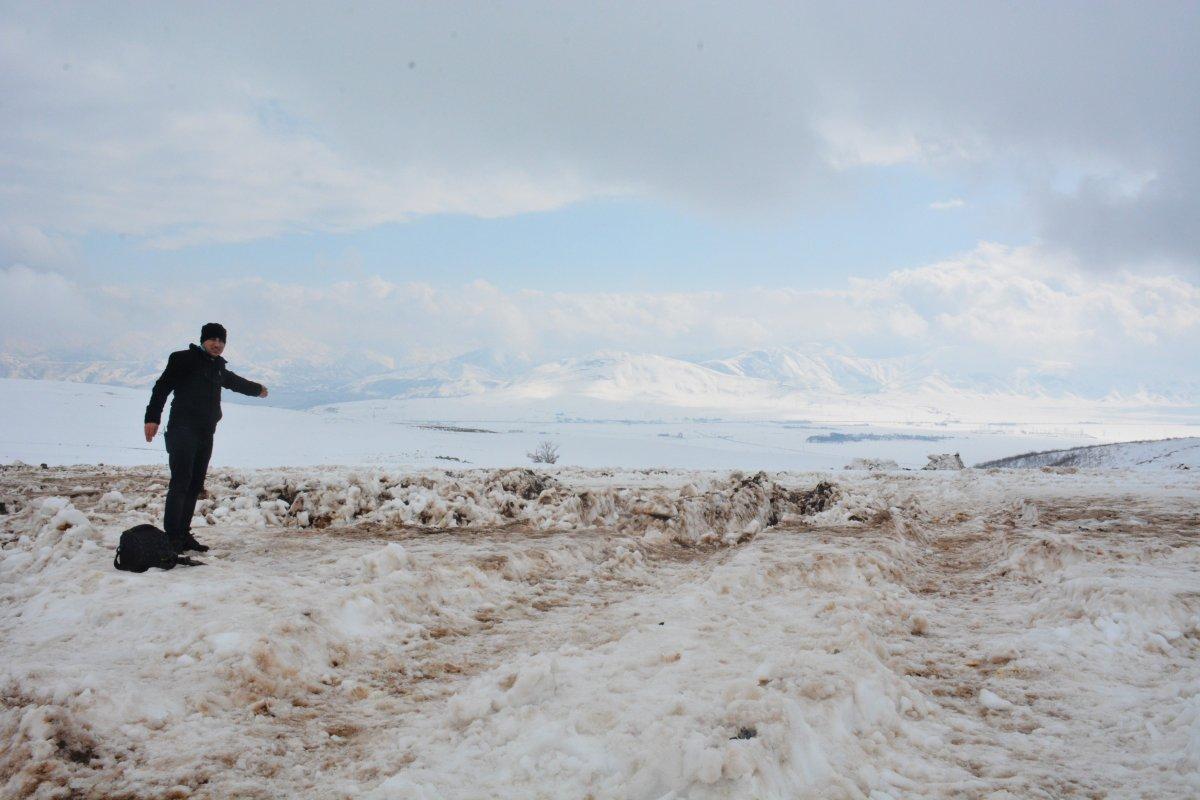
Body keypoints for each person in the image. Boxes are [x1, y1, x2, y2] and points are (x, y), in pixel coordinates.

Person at [143, 323, 268, 553]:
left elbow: (235, 382)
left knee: (194, 484)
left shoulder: (218, 367)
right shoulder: (183, 359)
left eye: (221, 341)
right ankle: (172, 538)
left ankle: (182, 534)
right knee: (181, 482)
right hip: (182, 429)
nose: (217, 344)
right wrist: (152, 417)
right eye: (213, 340)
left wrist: (257, 389)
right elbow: (161, 387)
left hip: (205, 432)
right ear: (203, 340)